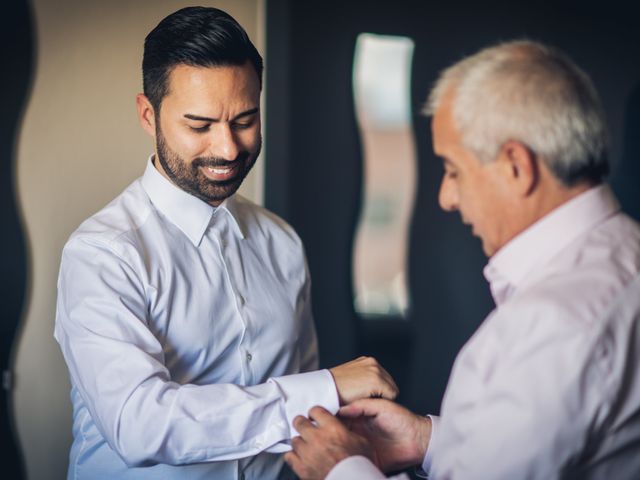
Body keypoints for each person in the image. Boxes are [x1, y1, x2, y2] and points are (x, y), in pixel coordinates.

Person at [54, 7, 398, 480]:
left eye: (245, 120)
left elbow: (302, 426)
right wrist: (325, 388)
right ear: (148, 115)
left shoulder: (283, 243)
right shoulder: (103, 254)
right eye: (200, 126)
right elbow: (140, 424)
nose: (229, 148)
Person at [285, 40, 640, 479]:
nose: (446, 198)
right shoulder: (627, 254)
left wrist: (343, 470)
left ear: (515, 166)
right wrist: (428, 440)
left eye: (453, 170)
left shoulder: (548, 326)